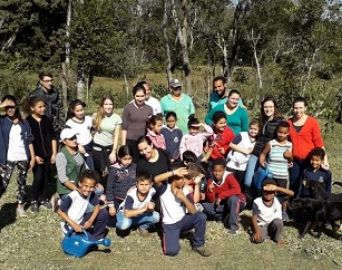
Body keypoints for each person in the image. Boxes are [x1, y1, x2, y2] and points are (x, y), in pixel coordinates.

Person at [154, 164, 211, 257]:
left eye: (184, 178)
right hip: (170, 225)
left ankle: (198, 245)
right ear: (174, 179)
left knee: (201, 217)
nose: (184, 181)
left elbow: (193, 211)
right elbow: (156, 179)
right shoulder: (164, 188)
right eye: (181, 178)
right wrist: (174, 172)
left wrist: (184, 198)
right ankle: (168, 234)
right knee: (172, 252)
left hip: (183, 220)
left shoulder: (185, 190)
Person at [0, 95, 35, 217]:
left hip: (23, 158)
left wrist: (33, 157)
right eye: (7, 107)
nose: (9, 109)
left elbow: (30, 140)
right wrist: (2, 105)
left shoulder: (24, 122)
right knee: (3, 184)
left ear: (16, 107)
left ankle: (20, 206)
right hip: (8, 159)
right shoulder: (2, 121)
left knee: (22, 182)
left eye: (12, 107)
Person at [288, 97, 328, 195]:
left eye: (301, 108)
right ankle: (295, 207)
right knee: (294, 184)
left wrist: (325, 160)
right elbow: (287, 143)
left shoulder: (312, 122)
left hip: (310, 160)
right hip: (295, 161)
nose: (298, 111)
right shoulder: (288, 122)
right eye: (296, 108)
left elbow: (319, 142)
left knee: (309, 185)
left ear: (305, 108)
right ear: (292, 108)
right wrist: (288, 159)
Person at [244, 96, 284, 193]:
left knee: (262, 180)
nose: (268, 109)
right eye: (265, 107)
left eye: (270, 106)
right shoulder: (261, 120)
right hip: (255, 153)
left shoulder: (280, 121)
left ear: (275, 107)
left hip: (268, 156)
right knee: (247, 182)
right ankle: (250, 197)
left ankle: (260, 200)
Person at [57, 170, 109, 240]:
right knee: (76, 243)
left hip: (81, 220)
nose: (88, 189)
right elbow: (60, 211)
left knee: (103, 213)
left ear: (95, 186)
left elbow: (97, 206)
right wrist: (74, 224)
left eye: (91, 187)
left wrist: (90, 221)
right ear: (80, 183)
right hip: (70, 225)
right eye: (86, 186)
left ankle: (97, 237)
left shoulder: (91, 193)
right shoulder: (73, 196)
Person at [26, 96, 57, 212]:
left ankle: (44, 198)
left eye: (44, 106)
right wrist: (33, 157)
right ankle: (34, 199)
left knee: (46, 177)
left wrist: (54, 153)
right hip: (36, 156)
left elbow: (53, 137)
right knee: (38, 177)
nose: (43, 109)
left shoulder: (47, 120)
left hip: (48, 155)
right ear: (32, 108)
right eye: (40, 107)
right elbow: (27, 141)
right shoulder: (27, 122)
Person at [258, 121, 293, 221]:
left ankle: (284, 211)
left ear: (288, 133)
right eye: (279, 132)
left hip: (283, 175)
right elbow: (263, 153)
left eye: (284, 133)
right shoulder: (271, 143)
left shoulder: (289, 145)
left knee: (284, 195)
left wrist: (290, 157)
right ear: (276, 131)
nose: (281, 135)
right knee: (268, 192)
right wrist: (262, 161)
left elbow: (290, 161)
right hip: (271, 174)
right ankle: (265, 210)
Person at [201, 159, 246, 234]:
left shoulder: (229, 177)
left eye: (220, 171)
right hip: (222, 204)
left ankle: (234, 227)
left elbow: (237, 190)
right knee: (206, 206)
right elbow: (211, 200)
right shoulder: (210, 180)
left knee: (233, 199)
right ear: (212, 170)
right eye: (215, 171)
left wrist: (221, 196)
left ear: (224, 170)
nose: (217, 173)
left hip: (236, 201)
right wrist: (210, 191)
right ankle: (225, 217)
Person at [251, 179, 294, 245]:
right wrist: (257, 231)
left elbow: (292, 193)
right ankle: (267, 235)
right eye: (266, 191)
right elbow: (254, 218)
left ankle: (277, 238)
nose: (269, 194)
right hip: (262, 225)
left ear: (275, 192)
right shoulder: (257, 201)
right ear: (262, 191)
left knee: (278, 222)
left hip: (274, 224)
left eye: (271, 192)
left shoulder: (278, 199)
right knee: (257, 239)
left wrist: (277, 188)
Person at [92, 95, 122, 179]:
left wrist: (113, 152)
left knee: (113, 171)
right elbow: (90, 130)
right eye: (106, 104)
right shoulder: (96, 115)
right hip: (97, 148)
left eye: (110, 104)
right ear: (102, 105)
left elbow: (116, 136)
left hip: (109, 148)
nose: (108, 107)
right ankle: (98, 190)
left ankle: (112, 190)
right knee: (97, 172)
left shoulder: (117, 118)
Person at [122, 84, 153, 162]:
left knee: (142, 162)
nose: (140, 98)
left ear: (145, 95)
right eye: (137, 96)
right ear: (134, 96)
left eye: (142, 96)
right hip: (130, 141)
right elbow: (124, 128)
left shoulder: (149, 109)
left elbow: (150, 127)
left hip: (143, 142)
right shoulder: (128, 108)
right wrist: (123, 145)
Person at [226, 119, 260, 188]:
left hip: (242, 166)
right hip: (232, 163)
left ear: (259, 130)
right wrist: (244, 150)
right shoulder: (242, 135)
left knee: (237, 184)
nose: (253, 131)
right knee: (227, 181)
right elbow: (231, 144)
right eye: (251, 128)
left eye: (255, 129)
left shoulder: (258, 141)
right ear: (248, 128)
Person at [56, 128, 86, 199]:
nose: (75, 140)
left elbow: (83, 168)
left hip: (79, 184)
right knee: (86, 206)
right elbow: (63, 178)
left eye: (75, 137)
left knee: (99, 190)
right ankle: (60, 202)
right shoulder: (61, 155)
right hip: (66, 190)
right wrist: (77, 190)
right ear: (64, 141)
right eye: (71, 139)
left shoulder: (78, 151)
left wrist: (84, 153)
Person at [106, 145, 136, 217]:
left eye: (130, 159)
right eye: (125, 159)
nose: (128, 161)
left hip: (131, 199)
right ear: (119, 157)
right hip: (118, 200)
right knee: (113, 220)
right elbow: (109, 188)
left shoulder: (135, 167)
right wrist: (111, 205)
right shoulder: (114, 169)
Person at [66, 99, 94, 170]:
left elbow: (92, 130)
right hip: (78, 148)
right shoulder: (70, 123)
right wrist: (78, 146)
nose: (80, 112)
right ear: (73, 111)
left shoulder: (89, 119)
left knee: (90, 168)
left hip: (90, 147)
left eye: (81, 110)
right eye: (77, 111)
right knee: (80, 168)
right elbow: (69, 138)